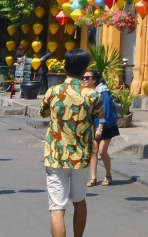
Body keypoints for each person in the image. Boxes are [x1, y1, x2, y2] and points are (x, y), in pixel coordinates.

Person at [40, 49, 102, 237]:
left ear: (65, 66)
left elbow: (43, 112)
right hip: (81, 156)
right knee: (79, 201)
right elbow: (100, 114)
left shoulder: (53, 91)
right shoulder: (92, 95)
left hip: (56, 155)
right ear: (85, 69)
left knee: (57, 207)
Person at [82, 71, 118, 187]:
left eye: (88, 78)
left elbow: (105, 111)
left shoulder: (103, 92)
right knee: (94, 151)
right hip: (94, 124)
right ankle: (93, 178)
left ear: (94, 80)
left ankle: (108, 175)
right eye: (83, 77)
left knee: (102, 151)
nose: (85, 80)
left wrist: (100, 128)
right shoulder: (88, 92)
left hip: (107, 125)